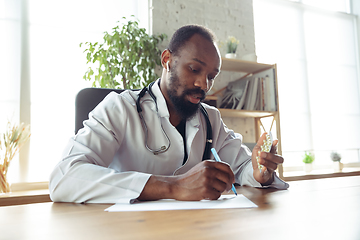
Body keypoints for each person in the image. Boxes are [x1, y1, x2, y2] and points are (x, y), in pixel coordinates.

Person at [49, 25, 289, 203]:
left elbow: (244, 166)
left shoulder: (210, 118)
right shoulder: (120, 108)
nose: (203, 84)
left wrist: (260, 173)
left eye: (211, 76)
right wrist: (173, 187)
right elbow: (64, 177)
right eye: (194, 69)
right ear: (167, 61)